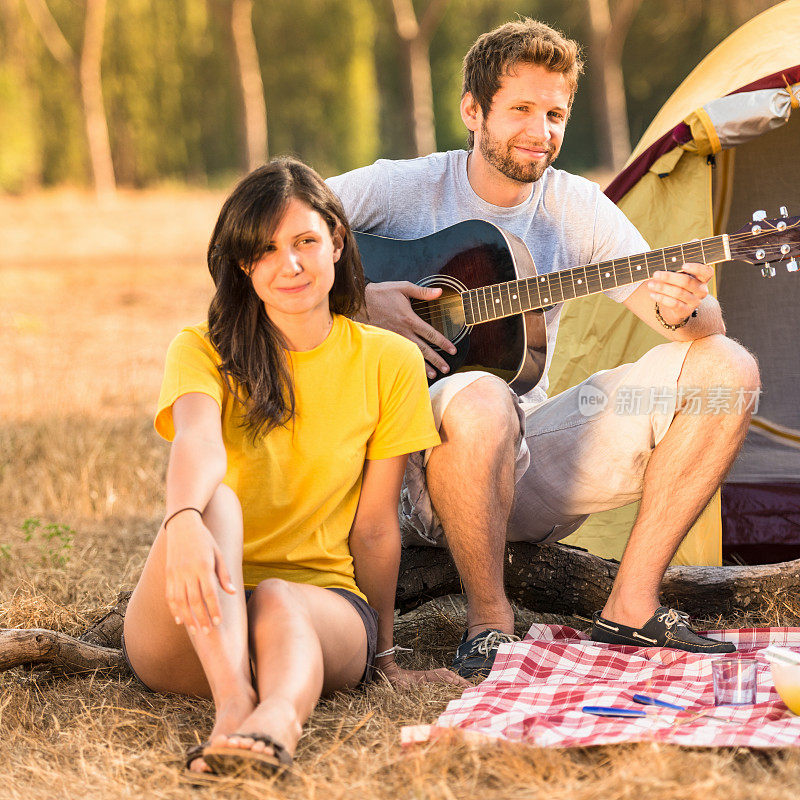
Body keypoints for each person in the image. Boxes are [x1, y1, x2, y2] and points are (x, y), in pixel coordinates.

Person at [327, 18, 760, 678]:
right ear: (473, 111)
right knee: (478, 396)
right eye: (521, 109)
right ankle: (490, 625)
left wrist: (687, 304)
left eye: (555, 113)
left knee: (729, 368)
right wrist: (361, 298)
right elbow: (259, 237)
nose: (541, 131)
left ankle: (633, 606)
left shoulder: (575, 207)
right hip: (378, 477)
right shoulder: (399, 187)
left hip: (511, 465)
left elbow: (700, 326)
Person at [122, 158, 466, 779]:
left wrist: (384, 653)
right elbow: (197, 441)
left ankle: (276, 721)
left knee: (281, 598)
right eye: (266, 250)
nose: (291, 265)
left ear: (336, 240)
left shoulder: (387, 360)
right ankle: (233, 707)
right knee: (215, 502)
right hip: (194, 625)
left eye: (306, 241)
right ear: (244, 265)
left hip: (322, 608)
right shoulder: (200, 349)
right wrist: (180, 522)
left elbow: (376, 528)